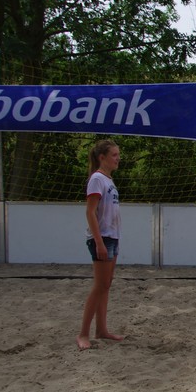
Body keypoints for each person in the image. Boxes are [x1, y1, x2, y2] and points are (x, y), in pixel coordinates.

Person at [77, 139, 125, 351]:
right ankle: (83, 333)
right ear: (101, 157)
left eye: (118, 154)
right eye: (114, 155)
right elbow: (90, 212)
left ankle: (102, 330)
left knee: (105, 286)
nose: (118, 158)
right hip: (102, 237)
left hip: (111, 236)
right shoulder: (97, 179)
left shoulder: (108, 180)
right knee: (99, 286)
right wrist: (98, 242)